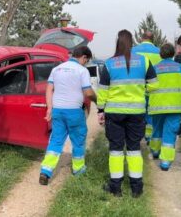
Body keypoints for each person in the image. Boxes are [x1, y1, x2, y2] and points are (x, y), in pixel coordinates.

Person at [97, 30, 158, 197]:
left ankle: (115, 187)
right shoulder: (144, 61)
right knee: (134, 149)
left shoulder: (109, 64)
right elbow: (154, 85)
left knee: (115, 150)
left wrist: (101, 110)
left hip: (114, 113)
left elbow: (102, 91)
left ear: (118, 42)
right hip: (137, 112)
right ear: (132, 43)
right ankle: (136, 188)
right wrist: (141, 89)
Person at [39, 46, 96, 185]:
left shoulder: (56, 69)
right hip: (74, 112)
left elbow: (49, 89)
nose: (86, 63)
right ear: (84, 57)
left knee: (56, 141)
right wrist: (98, 101)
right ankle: (78, 169)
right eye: (86, 61)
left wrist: (49, 108)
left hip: (57, 110)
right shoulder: (82, 70)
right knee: (78, 140)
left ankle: (45, 171)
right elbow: (88, 92)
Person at [149, 43, 181, 171]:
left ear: (160, 54)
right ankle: (165, 162)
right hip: (174, 107)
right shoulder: (180, 68)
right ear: (173, 53)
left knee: (156, 130)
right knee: (170, 132)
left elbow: (148, 88)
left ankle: (155, 151)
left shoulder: (154, 69)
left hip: (157, 106)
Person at [132, 31, 162, 144]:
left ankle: (137, 136)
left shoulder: (133, 51)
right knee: (151, 114)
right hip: (153, 88)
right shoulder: (159, 52)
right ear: (153, 39)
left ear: (141, 38)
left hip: (137, 88)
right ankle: (149, 136)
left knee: (138, 113)